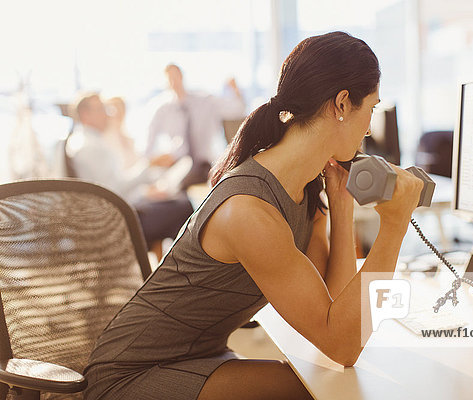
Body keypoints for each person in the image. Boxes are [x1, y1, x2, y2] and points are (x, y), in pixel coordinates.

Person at [84, 32, 423, 400]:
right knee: (323, 390)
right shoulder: (249, 212)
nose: (369, 128)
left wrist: (341, 208)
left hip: (198, 358)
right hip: (130, 378)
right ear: (342, 103)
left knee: (333, 382)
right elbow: (342, 346)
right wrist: (394, 226)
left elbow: (339, 315)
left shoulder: (302, 188)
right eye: (371, 108)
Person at [66, 93, 194, 249]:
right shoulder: (91, 147)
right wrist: (149, 166)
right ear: (86, 115)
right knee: (184, 206)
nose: (107, 114)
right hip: (118, 222)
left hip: (108, 216)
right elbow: (115, 190)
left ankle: (169, 264)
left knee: (174, 205)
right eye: (101, 109)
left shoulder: (81, 142)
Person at [146, 64, 246, 187]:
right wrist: (154, 159)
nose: (173, 81)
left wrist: (234, 88)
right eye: (169, 78)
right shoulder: (163, 110)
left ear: (182, 76)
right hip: (178, 163)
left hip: (204, 164)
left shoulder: (205, 101)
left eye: (175, 76)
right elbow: (149, 142)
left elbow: (238, 109)